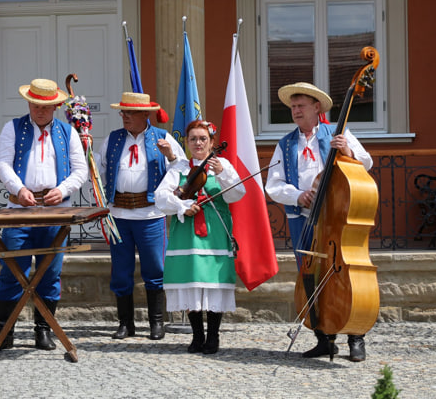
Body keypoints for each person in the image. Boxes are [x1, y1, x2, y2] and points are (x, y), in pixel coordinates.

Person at [265, 82, 372, 362]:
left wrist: (347, 150)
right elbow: (273, 185)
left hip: (337, 219)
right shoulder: (286, 143)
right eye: (292, 107)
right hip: (304, 220)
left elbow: (367, 162)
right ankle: (324, 338)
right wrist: (298, 195)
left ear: (317, 108)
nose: (295, 111)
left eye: (301, 106)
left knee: (347, 277)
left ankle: (355, 336)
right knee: (310, 277)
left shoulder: (338, 133)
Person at [0, 78, 89, 352]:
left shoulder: (68, 133)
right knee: (11, 271)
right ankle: (4, 333)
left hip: (56, 212)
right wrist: (18, 189)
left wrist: (63, 189)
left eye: (44, 106)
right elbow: (4, 164)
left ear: (55, 106)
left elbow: (81, 170)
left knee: (50, 273)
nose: (39, 110)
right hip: (19, 211)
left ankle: (43, 331)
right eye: (34, 105)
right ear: (29, 103)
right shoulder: (13, 128)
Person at [97, 92, 185, 340]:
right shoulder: (113, 139)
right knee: (121, 270)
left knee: (155, 269)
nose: (124, 117)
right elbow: (99, 169)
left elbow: (182, 169)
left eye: (130, 113)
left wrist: (170, 156)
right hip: (119, 215)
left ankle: (157, 323)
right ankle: (125, 324)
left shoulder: (163, 138)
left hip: (150, 215)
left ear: (144, 115)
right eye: (122, 112)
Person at [155, 119, 244, 354]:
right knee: (191, 279)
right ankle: (197, 336)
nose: (198, 143)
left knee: (214, 281)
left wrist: (222, 173)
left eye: (203, 138)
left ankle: (213, 336)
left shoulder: (222, 164)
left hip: (215, 230)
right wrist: (182, 206)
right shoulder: (180, 168)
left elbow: (237, 193)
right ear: (186, 142)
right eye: (193, 139)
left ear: (212, 142)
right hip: (187, 231)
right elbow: (161, 197)